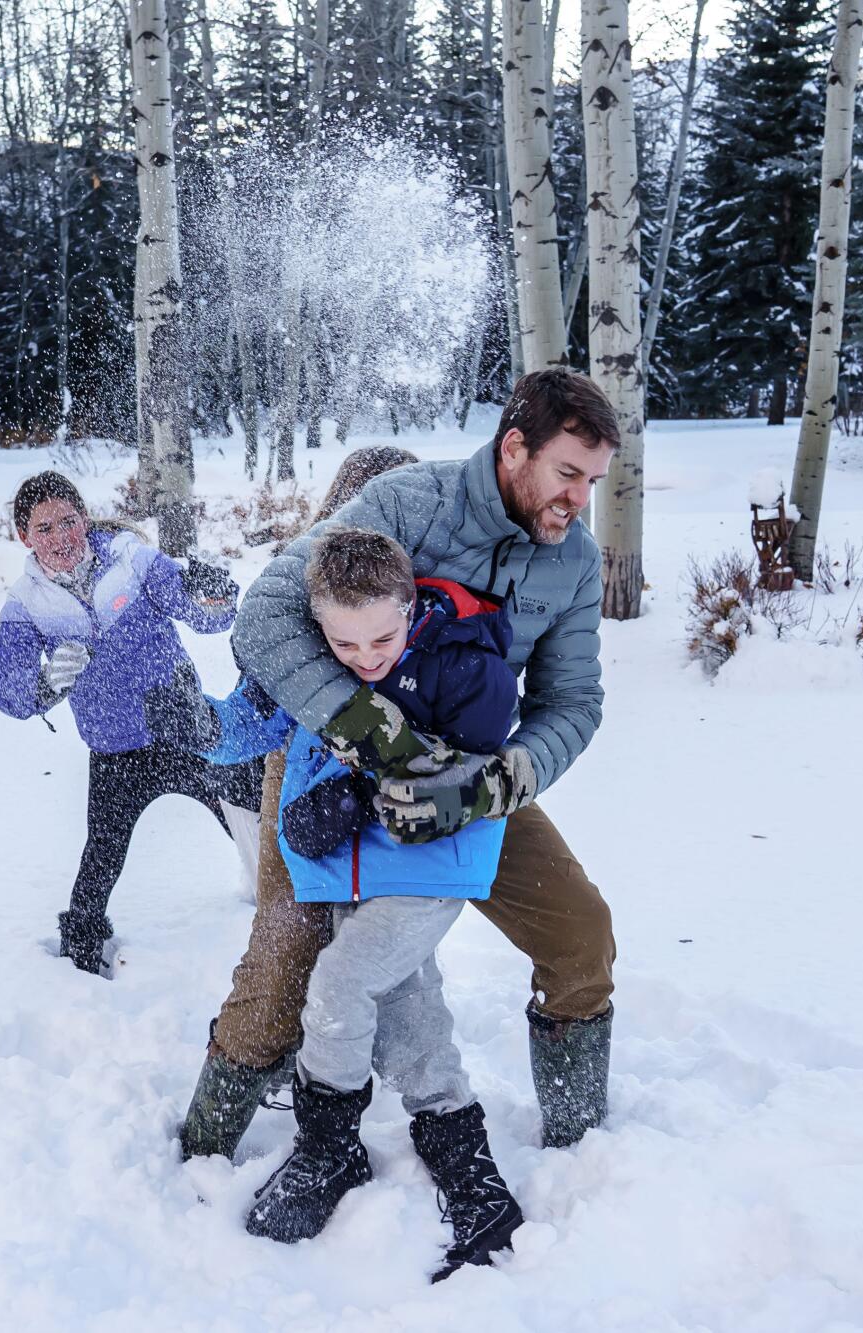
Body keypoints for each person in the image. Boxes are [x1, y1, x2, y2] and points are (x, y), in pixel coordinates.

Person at [179, 367, 621, 1157]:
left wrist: (493, 783)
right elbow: (268, 617)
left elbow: (572, 705)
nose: (579, 498)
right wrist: (373, 732)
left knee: (581, 935)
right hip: (323, 761)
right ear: (515, 449)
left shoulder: (573, 562)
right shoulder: (410, 502)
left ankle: (582, 1154)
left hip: (465, 779)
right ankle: (204, 1150)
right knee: (284, 971)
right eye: (568, 474)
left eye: (592, 481)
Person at [200, 528, 526, 1279]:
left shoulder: (461, 665)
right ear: (318, 628)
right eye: (344, 644)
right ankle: (468, 1168)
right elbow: (254, 720)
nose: (367, 657)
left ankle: (329, 1147)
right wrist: (197, 720)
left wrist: (359, 795)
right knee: (408, 1011)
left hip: (432, 867)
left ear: (411, 605)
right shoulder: (313, 666)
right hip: (348, 871)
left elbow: (464, 765)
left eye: (383, 635)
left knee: (341, 986)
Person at [0, 470, 258, 975]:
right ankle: (80, 957)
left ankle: (285, 902)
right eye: (44, 529)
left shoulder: (130, 560)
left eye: (68, 521)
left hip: (184, 727)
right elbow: (6, 688)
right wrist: (44, 685)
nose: (61, 537)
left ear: (85, 519)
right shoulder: (26, 604)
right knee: (103, 853)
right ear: (24, 537)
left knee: (250, 809)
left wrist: (213, 595)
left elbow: (200, 613)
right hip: (114, 749)